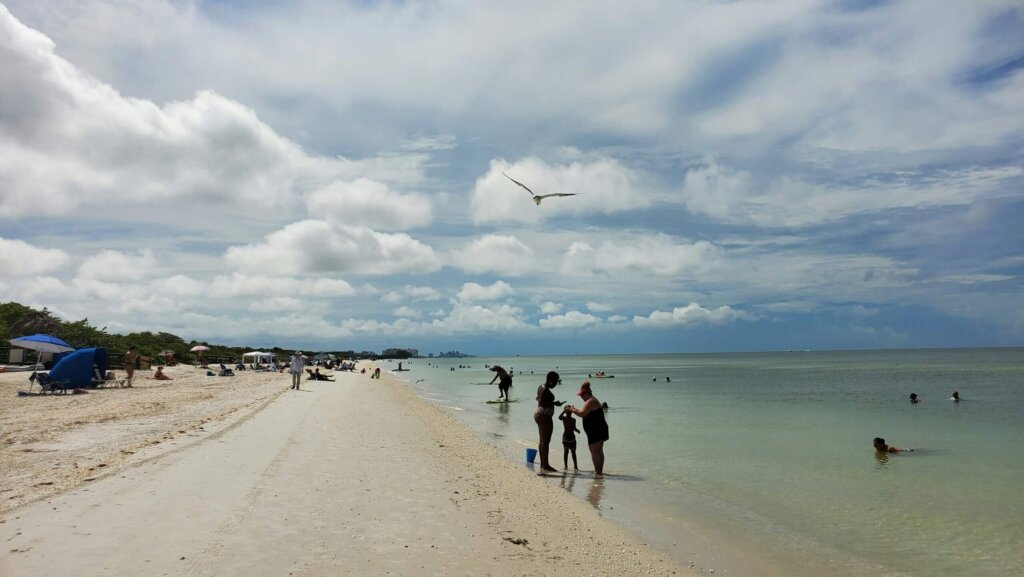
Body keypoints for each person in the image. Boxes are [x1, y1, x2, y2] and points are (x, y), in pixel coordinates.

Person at [564, 381, 609, 475]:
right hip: (600, 429)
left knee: (595, 452)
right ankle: (599, 471)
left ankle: (598, 472)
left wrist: (571, 410)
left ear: (587, 393)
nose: (581, 397)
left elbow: (582, 414)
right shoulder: (593, 400)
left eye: (582, 395)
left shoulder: (589, 402)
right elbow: (584, 411)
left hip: (595, 431)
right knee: (599, 451)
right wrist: (575, 409)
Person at [534, 371, 564, 473]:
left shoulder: (541, 386)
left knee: (542, 440)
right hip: (544, 416)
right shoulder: (545, 389)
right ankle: (545, 465)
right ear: (551, 381)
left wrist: (553, 403)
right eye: (555, 382)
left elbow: (538, 398)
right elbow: (541, 400)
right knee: (546, 441)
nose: (556, 384)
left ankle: (543, 464)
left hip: (540, 414)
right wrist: (554, 402)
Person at [559, 407, 580, 471]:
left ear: (571, 412)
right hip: (565, 437)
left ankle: (575, 466)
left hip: (572, 437)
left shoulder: (574, 419)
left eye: (570, 411)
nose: (569, 413)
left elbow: (574, 428)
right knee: (566, 452)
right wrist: (564, 411)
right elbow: (559, 417)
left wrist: (577, 430)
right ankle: (566, 466)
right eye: (567, 412)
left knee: (573, 453)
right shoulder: (564, 418)